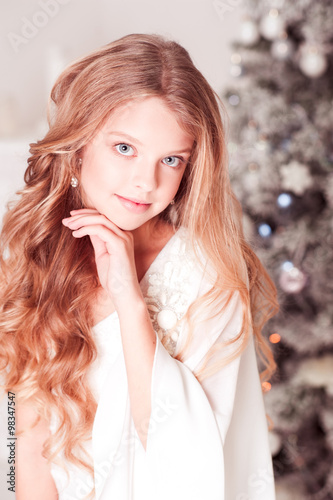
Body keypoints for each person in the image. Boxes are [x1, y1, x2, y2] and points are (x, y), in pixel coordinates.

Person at [0, 33, 279, 500]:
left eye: (170, 160)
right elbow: (19, 436)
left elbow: (186, 466)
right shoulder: (28, 253)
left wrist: (131, 304)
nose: (145, 182)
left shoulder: (208, 281)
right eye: (124, 148)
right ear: (79, 144)